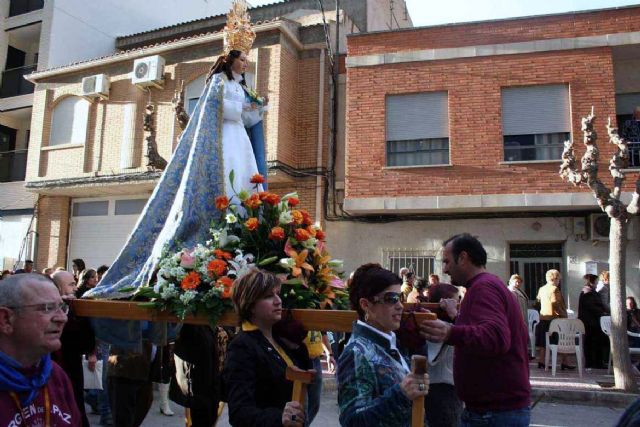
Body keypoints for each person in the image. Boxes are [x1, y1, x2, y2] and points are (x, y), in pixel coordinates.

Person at [418, 234, 530, 427]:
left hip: (494, 414)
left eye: (446, 261)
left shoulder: (483, 288)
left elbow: (495, 337)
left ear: (462, 258)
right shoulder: (485, 286)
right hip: (493, 410)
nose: (444, 269)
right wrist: (456, 317)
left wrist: (451, 332)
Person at [338, 263, 429, 427]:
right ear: (365, 305)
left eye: (400, 297)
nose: (400, 305)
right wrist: (401, 394)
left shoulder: (390, 342)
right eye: (391, 299)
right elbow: (352, 421)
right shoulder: (356, 353)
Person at [223, 269, 310, 427]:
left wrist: (297, 348)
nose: (278, 301)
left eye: (277, 294)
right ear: (250, 306)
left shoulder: (279, 339)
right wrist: (279, 418)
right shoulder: (242, 346)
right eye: (268, 296)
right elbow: (239, 413)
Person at [0, 273, 82, 426]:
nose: (62, 318)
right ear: (6, 319)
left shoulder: (55, 375)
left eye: (62, 307)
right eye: (47, 308)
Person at [51, 270, 96, 427]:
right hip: (54, 367)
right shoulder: (48, 309)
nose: (75, 288)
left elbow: (87, 336)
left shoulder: (76, 307)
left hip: (73, 367)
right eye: (71, 285)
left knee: (75, 406)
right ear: (57, 288)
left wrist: (92, 352)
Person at [424, 283, 462, 427]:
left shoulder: (446, 324)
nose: (458, 304)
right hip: (442, 388)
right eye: (454, 300)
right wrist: (453, 314)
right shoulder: (437, 325)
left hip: (449, 387)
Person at [535, 269, 573, 370]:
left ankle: (541, 361)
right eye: (558, 279)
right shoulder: (554, 289)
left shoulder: (542, 289)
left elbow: (537, 302)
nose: (559, 281)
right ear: (555, 278)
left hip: (543, 318)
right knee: (559, 340)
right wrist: (562, 313)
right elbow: (555, 303)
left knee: (543, 341)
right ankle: (564, 362)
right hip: (554, 319)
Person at [578, 274, 609, 369]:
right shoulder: (588, 292)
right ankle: (592, 362)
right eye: (596, 281)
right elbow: (592, 307)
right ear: (592, 281)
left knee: (594, 342)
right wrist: (602, 311)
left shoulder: (590, 291)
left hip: (593, 321)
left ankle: (597, 362)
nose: (597, 283)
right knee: (591, 342)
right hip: (590, 322)